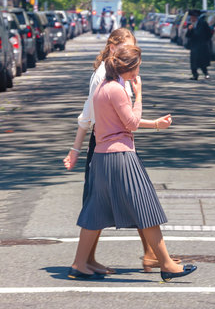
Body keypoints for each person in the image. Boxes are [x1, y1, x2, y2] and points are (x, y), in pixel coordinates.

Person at [68, 45, 197, 282]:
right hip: (120, 157)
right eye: (138, 66)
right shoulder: (117, 90)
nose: (139, 70)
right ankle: (167, 264)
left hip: (102, 157)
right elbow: (131, 123)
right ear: (130, 67)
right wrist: (139, 95)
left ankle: (79, 263)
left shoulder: (103, 88)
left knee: (95, 210)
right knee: (145, 206)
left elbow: (120, 122)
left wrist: (156, 123)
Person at [186, 9, 212, 80]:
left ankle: (206, 73)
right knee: (193, 60)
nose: (192, 18)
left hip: (202, 44)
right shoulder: (190, 24)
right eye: (191, 17)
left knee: (202, 60)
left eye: (193, 17)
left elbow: (209, 33)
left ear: (196, 17)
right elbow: (187, 35)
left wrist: (205, 41)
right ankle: (195, 75)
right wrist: (190, 29)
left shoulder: (203, 23)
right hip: (194, 45)